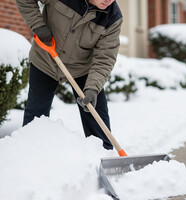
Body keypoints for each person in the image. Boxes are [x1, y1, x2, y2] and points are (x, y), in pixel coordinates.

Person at [16, 0, 123, 150]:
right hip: (45, 59)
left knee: (96, 115)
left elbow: (104, 58)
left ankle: (104, 157)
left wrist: (93, 88)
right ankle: (28, 152)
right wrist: (38, 25)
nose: (108, 1)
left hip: (82, 68)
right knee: (36, 114)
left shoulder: (113, 17)